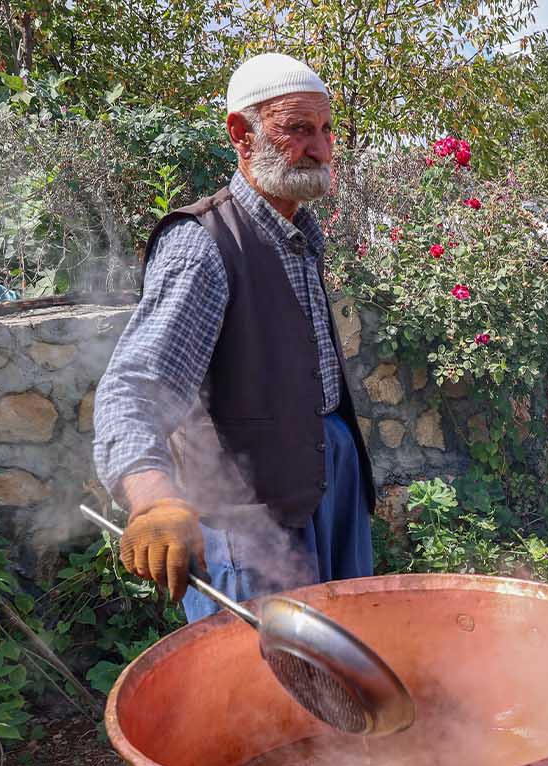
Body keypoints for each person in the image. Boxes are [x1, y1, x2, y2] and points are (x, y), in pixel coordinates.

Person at [93, 53, 375, 621]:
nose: (320, 148)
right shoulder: (203, 245)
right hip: (247, 517)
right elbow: (134, 390)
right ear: (241, 134)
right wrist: (153, 500)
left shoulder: (298, 232)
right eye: (298, 129)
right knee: (258, 679)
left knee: (342, 652)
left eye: (324, 130)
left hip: (325, 485)